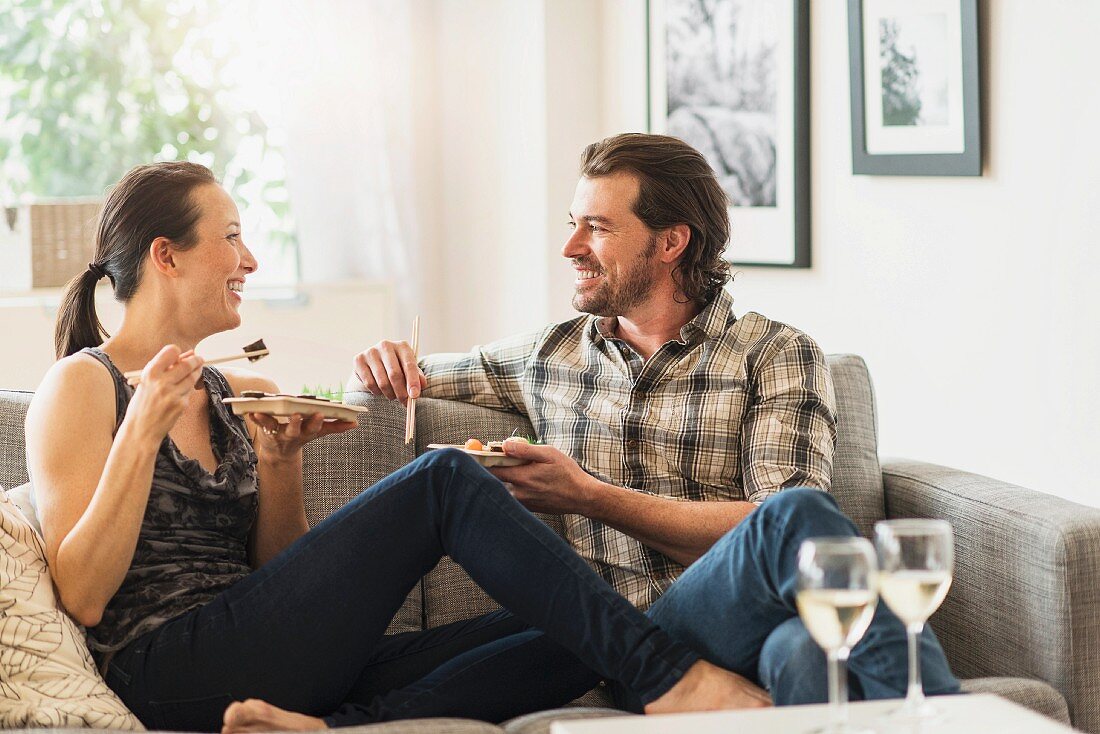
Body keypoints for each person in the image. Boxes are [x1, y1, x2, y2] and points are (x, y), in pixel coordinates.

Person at [24, 161, 771, 734]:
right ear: (166, 255)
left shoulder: (229, 391)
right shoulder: (84, 385)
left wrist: (281, 464)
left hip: (258, 657)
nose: (248, 260)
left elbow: (272, 580)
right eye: (231, 239)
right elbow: (84, 596)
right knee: (442, 478)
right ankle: (671, 679)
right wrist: (141, 430)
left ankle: (328, 728)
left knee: (581, 623)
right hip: (166, 672)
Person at [345, 133, 962, 709]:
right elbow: (404, 377)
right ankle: (951, 718)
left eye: (598, 228)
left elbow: (787, 540)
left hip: (740, 618)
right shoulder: (547, 356)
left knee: (802, 649)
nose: (570, 248)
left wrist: (588, 496)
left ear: (670, 242)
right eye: (572, 225)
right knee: (799, 529)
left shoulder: (774, 354)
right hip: (625, 644)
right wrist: (382, 360)